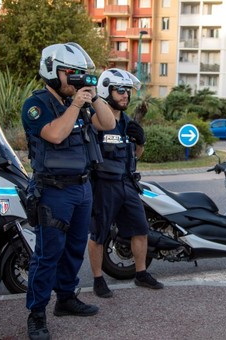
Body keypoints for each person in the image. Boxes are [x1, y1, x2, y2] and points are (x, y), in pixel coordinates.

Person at [22, 42, 115, 340]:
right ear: (51, 70)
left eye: (82, 74)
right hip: (53, 190)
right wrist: (76, 104)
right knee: (48, 254)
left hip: (82, 187)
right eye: (71, 73)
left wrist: (94, 96)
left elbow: (109, 123)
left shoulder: (79, 103)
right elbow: (55, 134)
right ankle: (36, 314)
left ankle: (65, 299)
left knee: (75, 249)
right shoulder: (37, 105)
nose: (77, 80)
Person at [88, 68, 164, 299]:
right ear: (105, 90)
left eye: (127, 91)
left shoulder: (128, 121)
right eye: (120, 90)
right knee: (99, 234)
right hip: (104, 185)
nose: (125, 96)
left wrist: (140, 141)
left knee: (141, 230)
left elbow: (136, 154)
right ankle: (98, 279)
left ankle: (141, 274)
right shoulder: (96, 117)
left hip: (127, 183)